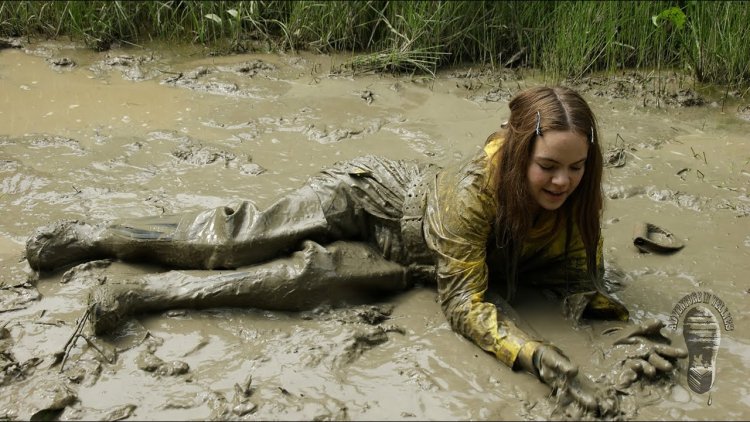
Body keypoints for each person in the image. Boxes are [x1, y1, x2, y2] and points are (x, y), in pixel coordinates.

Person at [26, 86, 686, 416]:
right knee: (235, 239)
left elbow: (574, 275)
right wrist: (531, 351)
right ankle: (98, 236)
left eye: (575, 169)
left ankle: (140, 294)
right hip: (368, 200)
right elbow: (464, 301)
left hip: (406, 264)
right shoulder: (474, 192)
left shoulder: (575, 205)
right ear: (520, 152)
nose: (561, 182)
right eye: (548, 167)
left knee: (288, 285)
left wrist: (612, 314)